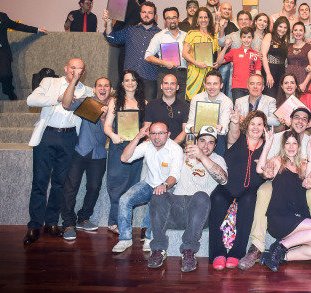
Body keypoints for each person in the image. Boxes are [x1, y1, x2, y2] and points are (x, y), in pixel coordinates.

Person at [239, 107, 311, 271]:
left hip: (299, 194)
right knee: (263, 190)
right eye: (297, 117)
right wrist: (267, 149)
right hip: (278, 191)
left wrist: (310, 155)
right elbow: (263, 170)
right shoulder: (276, 140)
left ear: (308, 123)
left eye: (305, 118)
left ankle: (277, 254)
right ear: (290, 119)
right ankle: (257, 245)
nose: (300, 121)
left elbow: (310, 176)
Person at [24, 59, 92, 245]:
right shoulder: (50, 82)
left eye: (80, 68)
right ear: (66, 69)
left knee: (59, 183)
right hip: (47, 135)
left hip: (70, 139)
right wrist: (59, 98)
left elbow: (103, 98)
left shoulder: (86, 91)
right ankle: (34, 225)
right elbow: (31, 100)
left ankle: (52, 223)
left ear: (83, 72)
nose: (76, 71)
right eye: (73, 68)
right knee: (40, 181)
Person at [147, 126, 228, 271]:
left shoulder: (218, 159)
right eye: (202, 141)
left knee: (202, 196)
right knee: (159, 195)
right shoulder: (182, 155)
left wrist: (202, 157)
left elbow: (223, 180)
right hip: (176, 209)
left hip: (199, 214)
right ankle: (158, 249)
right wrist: (164, 185)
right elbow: (167, 173)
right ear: (196, 141)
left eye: (210, 142)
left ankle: (189, 251)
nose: (205, 145)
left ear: (215, 145)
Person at [255, 129, 311, 271]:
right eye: (287, 143)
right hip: (280, 217)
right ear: (283, 146)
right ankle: (279, 246)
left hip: (298, 217)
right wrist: (267, 145)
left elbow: (309, 179)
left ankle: (276, 255)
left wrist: (310, 151)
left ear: (298, 146)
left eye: (294, 143)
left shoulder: (303, 165)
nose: (291, 146)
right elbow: (260, 170)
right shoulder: (277, 161)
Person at [111, 122, 183, 253]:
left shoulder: (176, 149)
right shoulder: (147, 145)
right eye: (153, 133)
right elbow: (124, 158)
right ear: (149, 134)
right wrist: (138, 137)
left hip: (168, 187)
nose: (157, 137)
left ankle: (150, 238)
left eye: (161, 133)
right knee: (125, 199)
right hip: (149, 184)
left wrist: (164, 185)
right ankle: (125, 238)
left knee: (156, 200)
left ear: (168, 134)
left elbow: (174, 176)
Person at [209, 110, 267, 270]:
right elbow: (233, 133)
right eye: (252, 123)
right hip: (228, 186)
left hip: (250, 190)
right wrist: (234, 121)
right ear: (247, 126)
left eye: (260, 124)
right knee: (217, 198)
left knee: (249, 201)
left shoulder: (268, 144)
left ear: (264, 127)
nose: (256, 127)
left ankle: (237, 252)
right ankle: (218, 253)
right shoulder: (237, 138)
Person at [0, 0, 47, 113]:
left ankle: (8, 90)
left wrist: (36, 30)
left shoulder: (2, 16)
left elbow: (16, 25)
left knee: (6, 75)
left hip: (2, 53)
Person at [61, 77, 112, 241]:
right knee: (71, 187)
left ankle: (83, 218)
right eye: (99, 85)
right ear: (94, 88)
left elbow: (113, 131)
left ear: (111, 90)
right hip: (80, 151)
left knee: (94, 187)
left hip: (99, 154)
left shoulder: (114, 108)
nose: (103, 88)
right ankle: (68, 223)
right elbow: (66, 104)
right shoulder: (86, 102)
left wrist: (106, 117)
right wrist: (73, 82)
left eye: (106, 86)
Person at [103, 69, 147, 236]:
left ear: (137, 83)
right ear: (122, 83)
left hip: (136, 148)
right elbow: (107, 126)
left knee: (132, 185)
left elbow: (146, 127)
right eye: (127, 80)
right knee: (117, 185)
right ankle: (114, 222)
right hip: (119, 146)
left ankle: (125, 222)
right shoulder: (115, 101)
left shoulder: (144, 102)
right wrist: (113, 135)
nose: (130, 83)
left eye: (133, 80)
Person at [104, 1, 160, 100]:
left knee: (147, 111)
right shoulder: (130, 30)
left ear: (155, 16)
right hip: (129, 78)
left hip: (149, 78)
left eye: (150, 13)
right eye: (144, 12)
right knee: (125, 109)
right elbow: (112, 37)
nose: (146, 15)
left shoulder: (160, 34)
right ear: (140, 14)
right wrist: (109, 23)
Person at [144, 6, 188, 100]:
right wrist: (164, 62)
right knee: (162, 103)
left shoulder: (186, 36)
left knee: (181, 104)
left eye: (174, 17)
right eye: (168, 18)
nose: (171, 20)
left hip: (183, 74)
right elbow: (148, 56)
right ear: (165, 21)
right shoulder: (159, 36)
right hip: (165, 73)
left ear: (178, 19)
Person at [186, 70, 233, 156]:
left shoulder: (227, 102)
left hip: (217, 137)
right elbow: (190, 122)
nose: (212, 87)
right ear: (204, 85)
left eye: (215, 84)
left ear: (221, 85)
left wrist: (220, 129)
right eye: (209, 83)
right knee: (190, 137)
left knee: (221, 139)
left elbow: (224, 129)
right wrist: (195, 129)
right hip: (198, 135)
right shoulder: (196, 99)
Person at [216, 26, 262, 103]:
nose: (246, 40)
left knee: (251, 112)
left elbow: (258, 72)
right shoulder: (234, 51)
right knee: (239, 111)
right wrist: (225, 47)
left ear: (252, 39)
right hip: (237, 87)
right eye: (244, 37)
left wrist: (259, 86)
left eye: (249, 37)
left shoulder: (256, 54)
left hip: (252, 87)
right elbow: (219, 61)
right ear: (240, 38)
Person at [182, 7, 220, 100]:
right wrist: (196, 63)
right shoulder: (191, 33)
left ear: (209, 19)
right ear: (197, 20)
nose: (203, 20)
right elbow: (184, 53)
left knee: (207, 101)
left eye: (206, 17)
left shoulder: (212, 35)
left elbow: (216, 52)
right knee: (193, 100)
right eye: (201, 17)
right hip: (195, 72)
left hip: (208, 73)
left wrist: (217, 63)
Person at [144, 74, 190, 146]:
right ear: (161, 86)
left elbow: (185, 131)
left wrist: (171, 147)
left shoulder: (185, 106)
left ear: (177, 87)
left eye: (172, 83)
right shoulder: (151, 105)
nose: (169, 86)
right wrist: (158, 145)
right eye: (166, 83)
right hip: (156, 147)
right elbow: (147, 129)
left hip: (176, 148)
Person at [261, 16, 290, 98]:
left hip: (281, 73)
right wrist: (268, 74)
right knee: (269, 97)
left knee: (278, 98)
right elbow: (263, 56)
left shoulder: (285, 40)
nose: (282, 29)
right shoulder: (269, 36)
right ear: (276, 26)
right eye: (280, 26)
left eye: (285, 27)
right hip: (269, 71)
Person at [216, 2, 238, 98]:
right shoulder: (214, 23)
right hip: (217, 62)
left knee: (228, 91)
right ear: (220, 10)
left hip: (228, 62)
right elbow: (216, 40)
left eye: (229, 9)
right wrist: (217, 21)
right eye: (224, 8)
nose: (227, 11)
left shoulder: (233, 26)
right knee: (218, 89)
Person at [287, 21, 311, 93]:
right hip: (289, 78)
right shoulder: (288, 46)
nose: (298, 32)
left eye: (300, 30)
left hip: (303, 78)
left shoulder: (309, 47)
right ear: (292, 32)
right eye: (295, 30)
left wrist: (304, 84)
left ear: (304, 33)